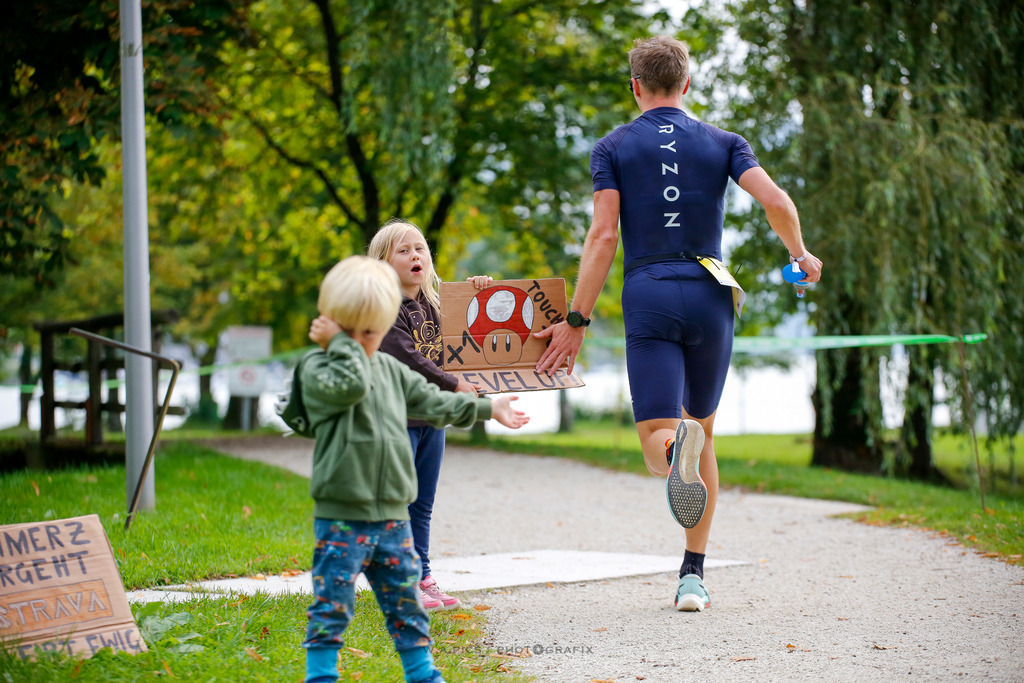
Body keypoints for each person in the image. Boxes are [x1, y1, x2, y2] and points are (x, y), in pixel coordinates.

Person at [535, 35, 822, 612]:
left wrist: (576, 319)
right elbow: (777, 201)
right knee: (704, 430)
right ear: (687, 84)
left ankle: (674, 452)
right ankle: (693, 574)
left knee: (655, 440)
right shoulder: (724, 142)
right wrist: (799, 253)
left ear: (635, 86)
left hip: (650, 292)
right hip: (713, 293)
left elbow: (604, 236)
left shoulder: (613, 147)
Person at [302, 255, 529, 683]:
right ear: (331, 326)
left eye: (375, 331)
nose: (367, 342)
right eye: (356, 333)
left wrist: (486, 407)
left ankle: (422, 674)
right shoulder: (320, 367)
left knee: (404, 603)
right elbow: (349, 385)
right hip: (342, 517)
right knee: (331, 602)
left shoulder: (389, 367)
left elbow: (434, 402)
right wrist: (343, 348)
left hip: (391, 517)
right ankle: (320, 675)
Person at [367, 219, 491, 611]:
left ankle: (421, 575)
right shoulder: (383, 308)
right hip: (395, 419)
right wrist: (454, 386)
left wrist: (480, 294)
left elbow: (473, 336)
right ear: (383, 263)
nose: (414, 255)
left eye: (419, 248)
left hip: (430, 421)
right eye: (402, 251)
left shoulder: (435, 305)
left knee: (421, 504)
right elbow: (407, 354)